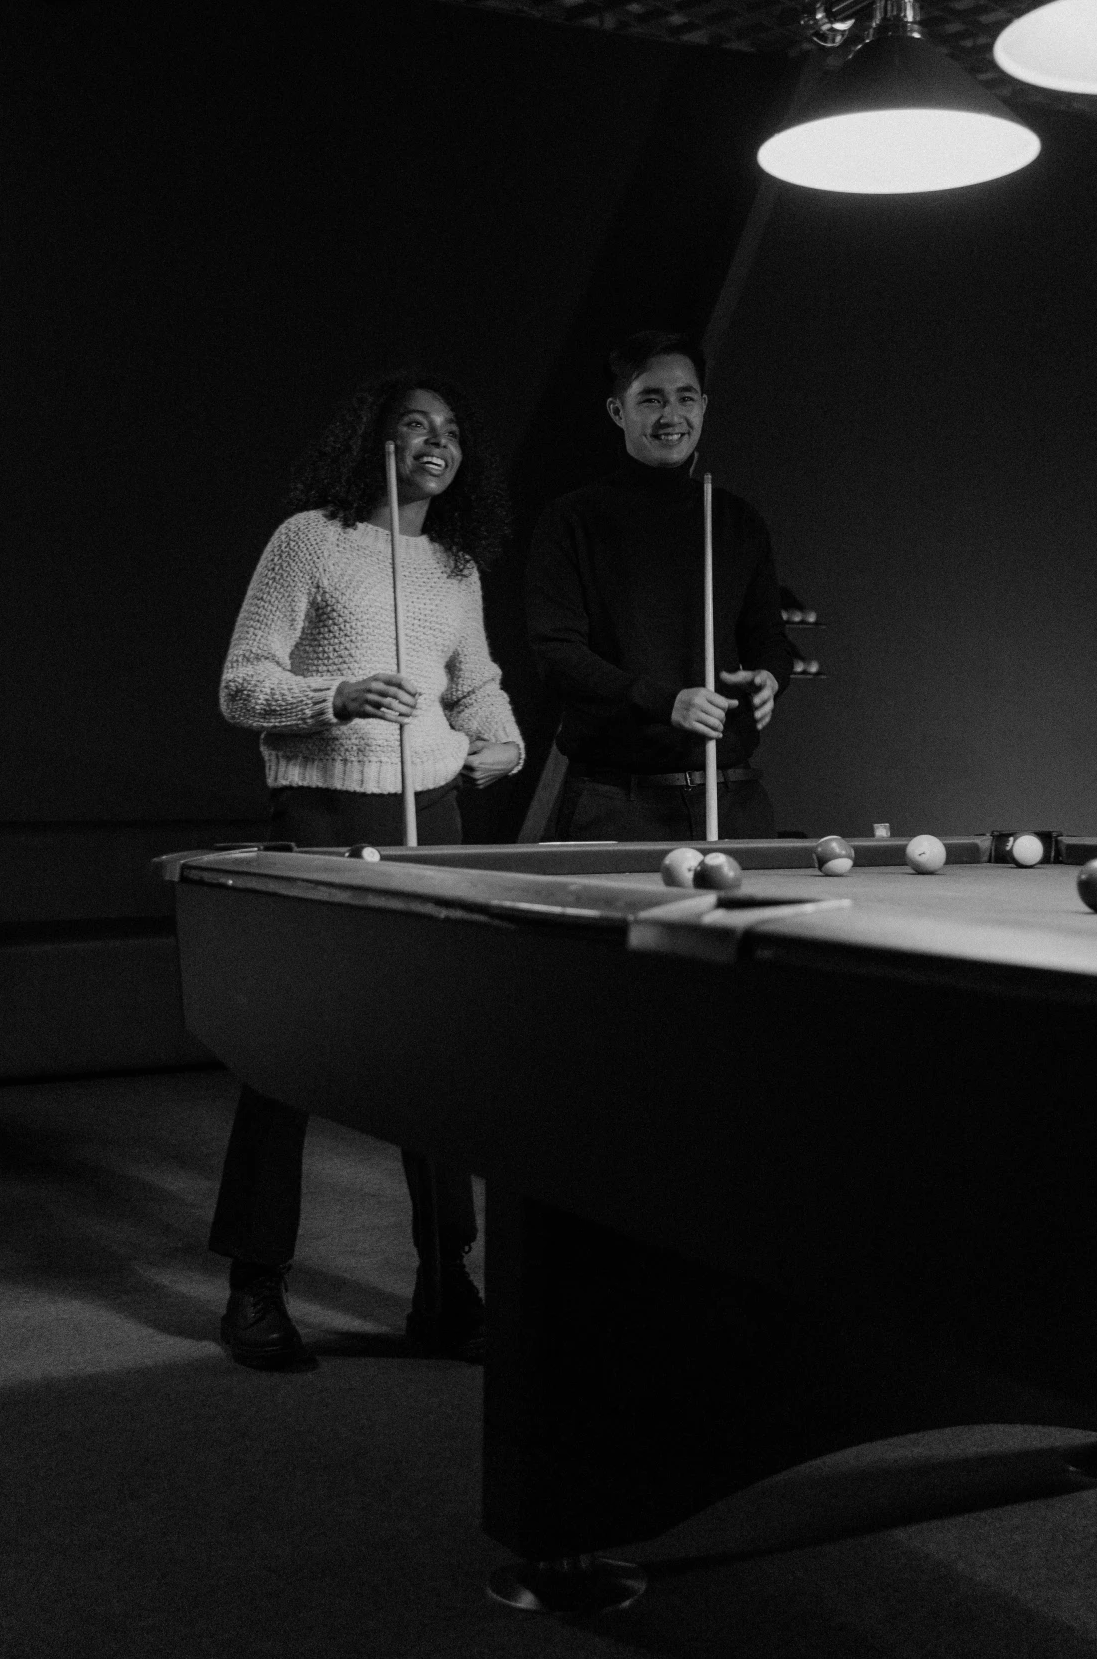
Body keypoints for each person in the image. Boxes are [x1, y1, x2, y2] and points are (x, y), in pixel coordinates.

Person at [210, 372, 523, 1368]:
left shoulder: (456, 565)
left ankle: (446, 1286)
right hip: (322, 809)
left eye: (451, 428)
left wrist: (501, 741)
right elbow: (241, 683)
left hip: (432, 813)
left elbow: (476, 686)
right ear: (373, 443)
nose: (437, 439)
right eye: (414, 424)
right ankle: (254, 1285)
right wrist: (337, 694)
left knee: (440, 1055)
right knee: (290, 1049)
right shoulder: (310, 538)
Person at [526, 330, 793, 844]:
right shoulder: (573, 519)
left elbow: (769, 638)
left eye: (685, 398)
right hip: (614, 803)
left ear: (704, 406)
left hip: (733, 798)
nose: (672, 416)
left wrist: (771, 676)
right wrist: (661, 700)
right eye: (651, 399)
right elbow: (556, 652)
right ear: (616, 410)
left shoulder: (735, 519)